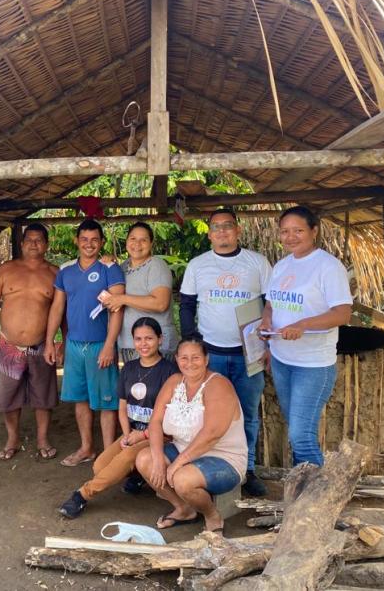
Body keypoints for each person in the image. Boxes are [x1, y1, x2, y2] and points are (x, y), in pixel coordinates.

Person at [178, 208, 272, 496]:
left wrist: (268, 344)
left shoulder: (257, 263)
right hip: (211, 354)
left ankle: (247, 469)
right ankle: (209, 467)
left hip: (248, 354)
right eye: (216, 227)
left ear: (238, 230)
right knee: (207, 415)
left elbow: (271, 304)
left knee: (248, 412)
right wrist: (191, 342)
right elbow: (186, 305)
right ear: (209, 233)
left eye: (227, 226)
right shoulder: (198, 265)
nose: (222, 232)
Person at [57, 317, 179, 518]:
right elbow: (123, 406)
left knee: (124, 459)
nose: (143, 344)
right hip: (132, 433)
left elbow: (172, 416)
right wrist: (126, 434)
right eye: (138, 339)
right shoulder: (129, 368)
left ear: (160, 339)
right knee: (100, 466)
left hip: (159, 436)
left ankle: (82, 495)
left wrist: (142, 435)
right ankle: (139, 476)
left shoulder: (170, 371)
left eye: (149, 338)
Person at [259, 205, 352, 466]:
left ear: (314, 231)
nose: (290, 237)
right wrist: (266, 320)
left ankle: (316, 498)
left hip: (312, 365)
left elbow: (343, 314)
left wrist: (303, 325)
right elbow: (270, 303)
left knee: (301, 435)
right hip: (281, 359)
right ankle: (303, 486)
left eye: (298, 230)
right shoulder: (281, 266)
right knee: (296, 429)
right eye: (285, 231)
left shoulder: (328, 267)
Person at [135, 335, 247, 534]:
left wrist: (177, 464)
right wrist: (158, 457)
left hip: (222, 457)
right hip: (183, 449)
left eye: (195, 358)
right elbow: (156, 422)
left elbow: (212, 434)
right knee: (145, 459)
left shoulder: (218, 385)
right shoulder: (174, 381)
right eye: (184, 358)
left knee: (182, 479)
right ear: (177, 360)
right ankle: (184, 509)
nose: (189, 363)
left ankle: (212, 515)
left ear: (206, 359)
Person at [0, 223, 59, 461]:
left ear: (46, 245)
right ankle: (13, 438)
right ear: (21, 244)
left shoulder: (54, 273)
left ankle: (43, 439)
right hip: (9, 344)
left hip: (42, 344)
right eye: (29, 239)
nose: (34, 243)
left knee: (44, 395)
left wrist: (59, 342)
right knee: (9, 396)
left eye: (39, 239)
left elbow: (61, 311)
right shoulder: (6, 270)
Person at [45, 218, 125, 467]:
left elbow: (117, 308)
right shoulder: (65, 272)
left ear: (101, 242)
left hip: (100, 343)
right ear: (76, 241)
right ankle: (87, 448)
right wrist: (51, 341)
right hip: (74, 344)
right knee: (80, 399)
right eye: (84, 240)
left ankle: (108, 454)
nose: (89, 244)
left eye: (94, 240)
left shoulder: (110, 269)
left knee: (106, 401)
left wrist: (110, 345)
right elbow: (57, 307)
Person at [99, 222, 178, 362]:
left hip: (156, 345)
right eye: (133, 238)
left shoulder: (156, 265)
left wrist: (122, 298)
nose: (137, 244)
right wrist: (109, 264)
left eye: (144, 240)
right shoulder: (123, 267)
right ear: (127, 240)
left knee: (157, 383)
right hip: (130, 343)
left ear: (151, 243)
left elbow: (160, 303)